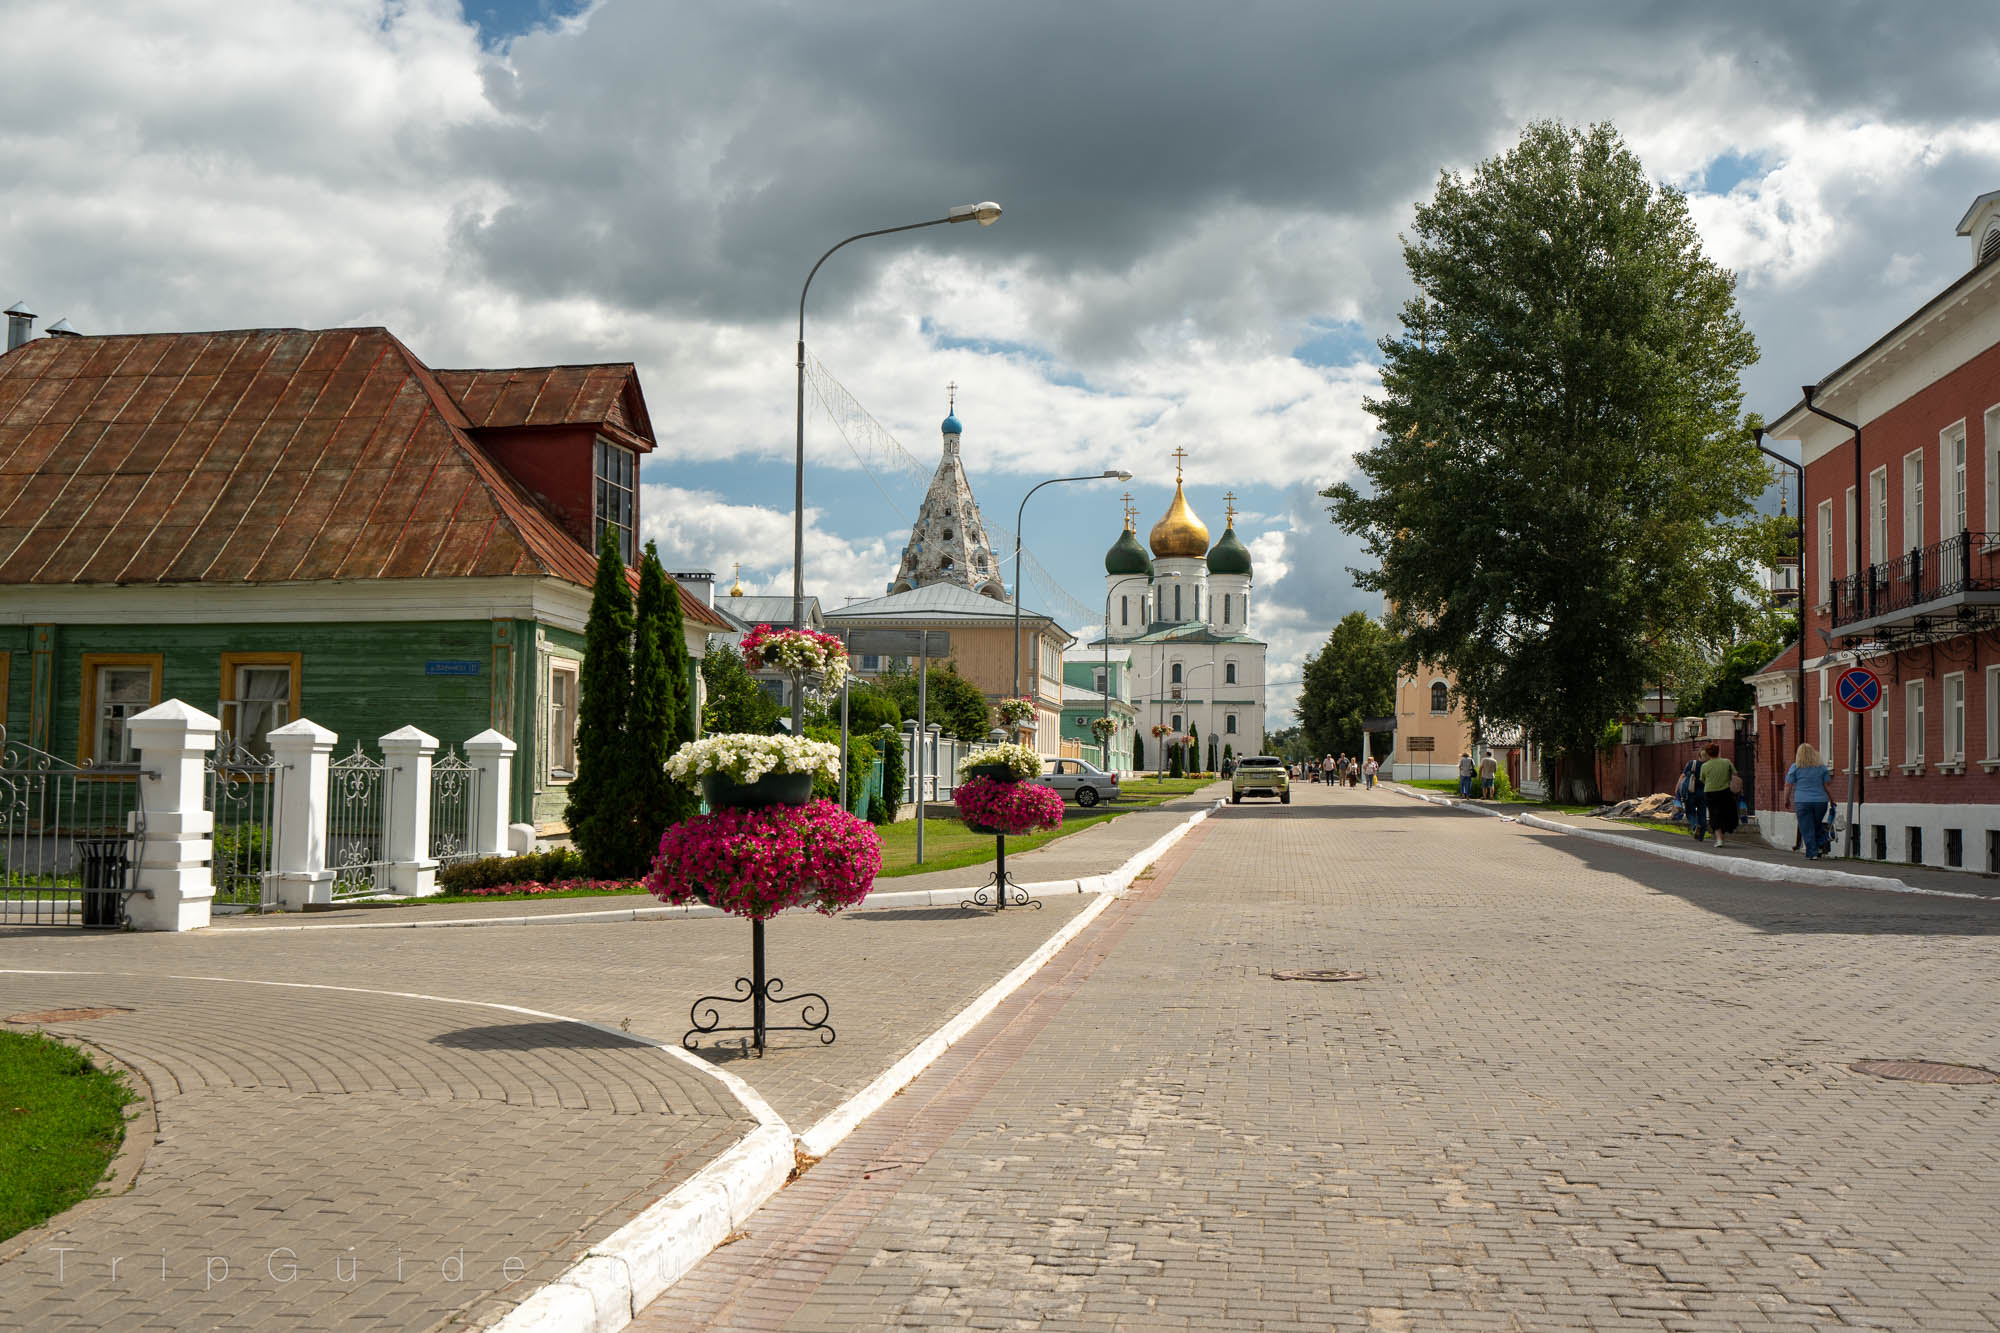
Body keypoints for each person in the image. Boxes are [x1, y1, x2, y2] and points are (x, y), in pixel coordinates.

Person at [1785, 742, 1833, 860]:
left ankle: (1812, 853)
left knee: (1807, 827)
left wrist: (1786, 799)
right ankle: (1820, 845)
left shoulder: (1795, 767)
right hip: (1821, 802)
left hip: (1802, 802)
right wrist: (1832, 799)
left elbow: (1788, 785)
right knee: (1816, 825)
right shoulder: (1821, 768)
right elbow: (1826, 785)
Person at [1697, 741, 1739, 849]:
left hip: (1710, 793)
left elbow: (1702, 779)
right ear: (1718, 751)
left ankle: (1719, 839)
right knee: (1726, 813)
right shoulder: (1727, 762)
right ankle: (1722, 836)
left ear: (1708, 753)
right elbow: (1735, 774)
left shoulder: (1705, 766)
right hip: (1725, 792)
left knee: (1714, 814)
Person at [1676, 750, 1708, 842]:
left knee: (1690, 811)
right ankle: (1701, 836)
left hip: (1690, 792)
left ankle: (1694, 826)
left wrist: (1677, 789)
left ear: (1699, 756)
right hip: (1704, 793)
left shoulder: (1692, 763)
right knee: (1702, 813)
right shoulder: (1709, 766)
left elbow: (1683, 776)